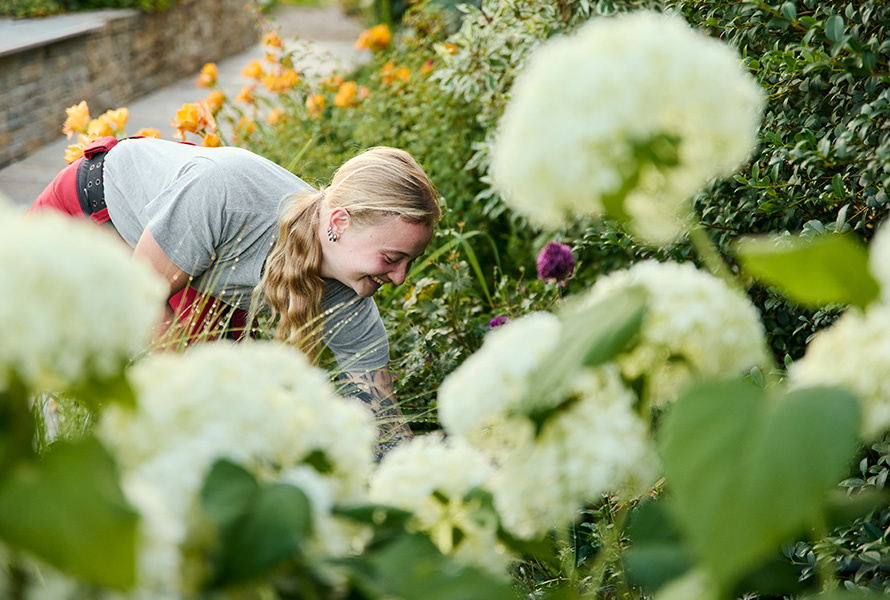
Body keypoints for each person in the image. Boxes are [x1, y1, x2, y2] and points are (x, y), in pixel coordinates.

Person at [28, 136, 441, 454]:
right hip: (92, 218)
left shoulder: (348, 292)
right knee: (61, 386)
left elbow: (381, 412)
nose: (400, 278)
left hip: (198, 270)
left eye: (408, 262)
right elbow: (140, 293)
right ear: (339, 222)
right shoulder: (227, 195)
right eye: (391, 257)